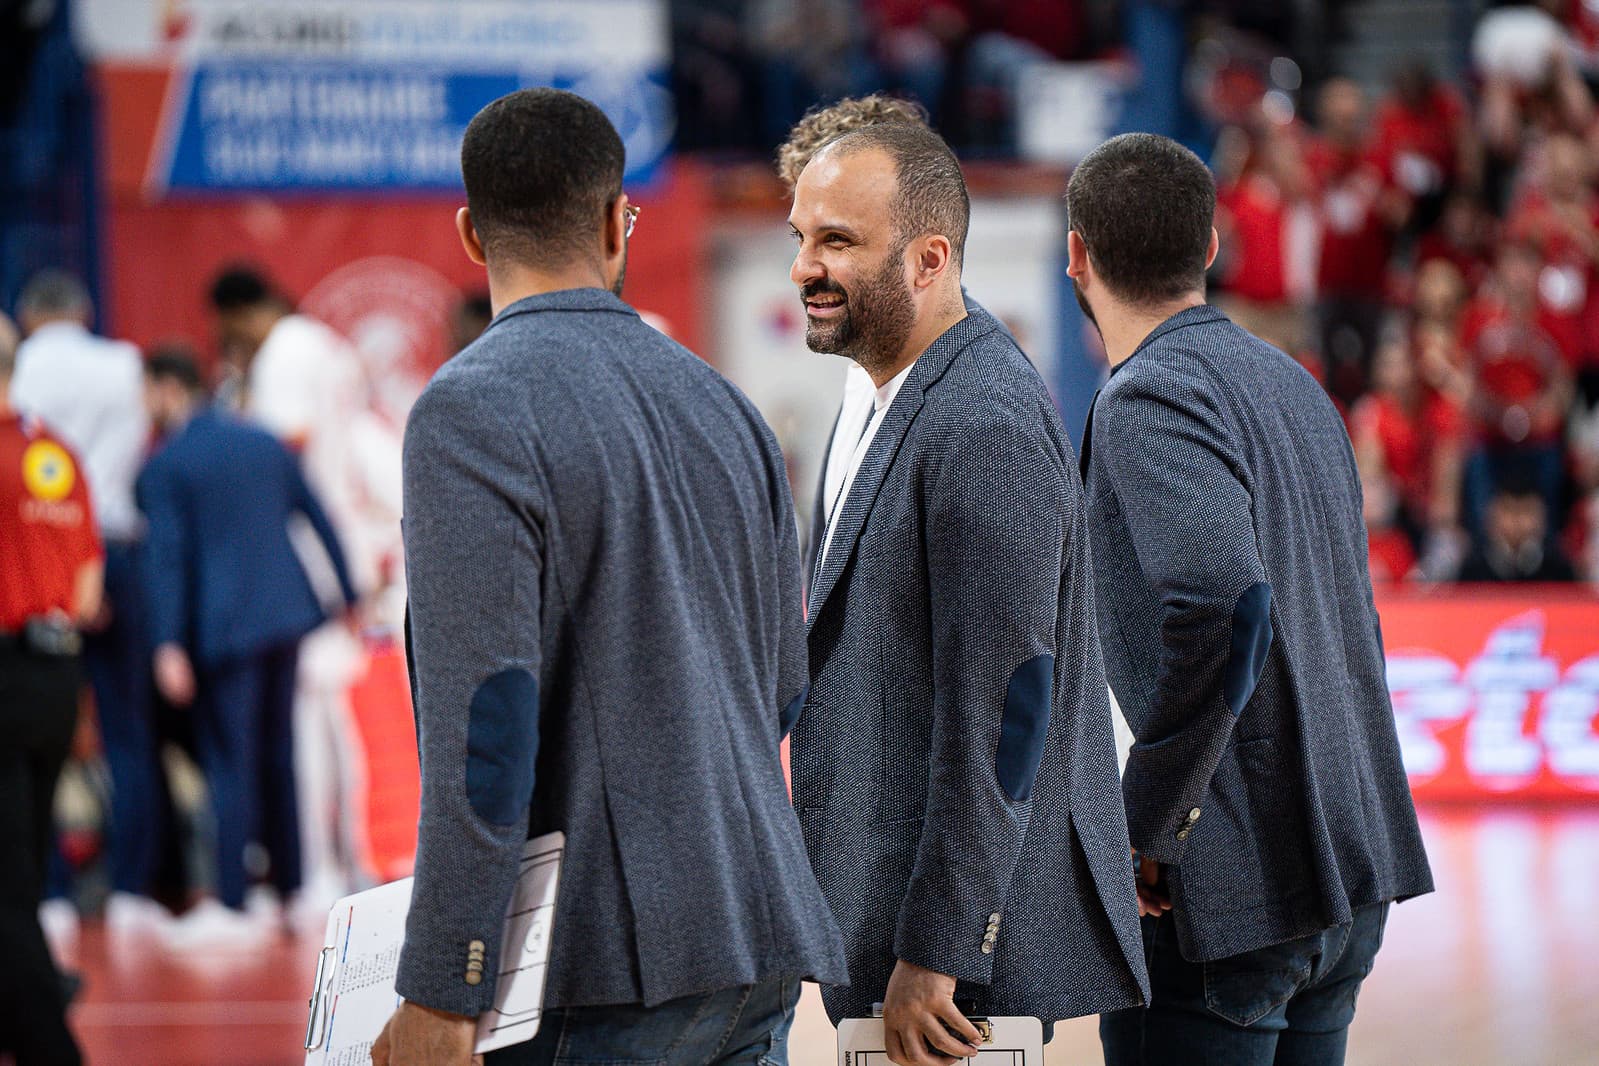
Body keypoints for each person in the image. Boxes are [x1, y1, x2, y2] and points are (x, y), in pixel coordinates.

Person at [371, 88, 846, 1066]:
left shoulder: (468, 410)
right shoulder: (730, 409)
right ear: (612, 219)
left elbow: (489, 717)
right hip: (754, 932)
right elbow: (784, 685)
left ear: (470, 232)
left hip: (593, 969)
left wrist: (445, 979)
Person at [1068, 133, 1434, 1066]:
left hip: (1230, 888)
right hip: (1342, 865)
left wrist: (1150, 818)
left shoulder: (1146, 395)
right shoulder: (1296, 387)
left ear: (1076, 254)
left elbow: (1225, 605)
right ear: (1212, 247)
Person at [786, 122, 1147, 1064]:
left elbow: (1007, 709)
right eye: (799, 239)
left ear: (928, 258)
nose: (803, 269)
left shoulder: (981, 421)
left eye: (836, 242)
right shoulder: (878, 395)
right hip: (879, 920)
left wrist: (937, 950)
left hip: (950, 963)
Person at [136, 351, 358, 947]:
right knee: (278, 753)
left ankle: (233, 901)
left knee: (228, 761)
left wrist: (167, 644)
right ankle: (291, 888)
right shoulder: (264, 444)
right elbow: (320, 517)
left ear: (166, 389)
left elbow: (169, 561)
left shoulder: (167, 465)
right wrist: (349, 593)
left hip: (224, 628)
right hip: (286, 615)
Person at [208, 266, 373, 914]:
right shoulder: (327, 345)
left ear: (242, 314)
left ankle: (318, 873)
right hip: (341, 541)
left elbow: (277, 460)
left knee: (304, 727)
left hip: (300, 557)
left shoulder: (283, 355)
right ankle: (348, 861)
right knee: (338, 722)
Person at [10, 269, 169, 936]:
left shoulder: (21, 369)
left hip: (36, 553)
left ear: (32, 317)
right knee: (130, 732)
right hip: (119, 549)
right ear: (82, 311)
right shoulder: (126, 363)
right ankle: (133, 890)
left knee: (22, 740)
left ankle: (44, 893)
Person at [0, 310, 100, 1066]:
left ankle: (47, 1042)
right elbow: (89, 590)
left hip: (3, 673)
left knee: (5, 890)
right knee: (23, 873)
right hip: (56, 677)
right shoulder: (55, 453)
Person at [1458, 480, 1579, 581]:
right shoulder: (1472, 570)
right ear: (1491, 516)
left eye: (1526, 511)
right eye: (1508, 510)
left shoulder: (1559, 569)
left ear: (1542, 517)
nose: (1517, 520)